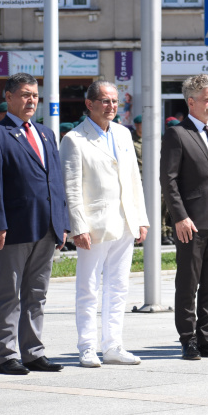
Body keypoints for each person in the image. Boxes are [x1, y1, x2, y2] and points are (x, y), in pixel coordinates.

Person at [0, 73, 69, 375]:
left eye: (35, 95)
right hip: (15, 228)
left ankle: (33, 352)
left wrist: (62, 220)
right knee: (9, 293)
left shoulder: (46, 134)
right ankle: (6, 356)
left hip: (46, 226)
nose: (31, 100)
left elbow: (55, 180)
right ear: (9, 97)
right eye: (25, 94)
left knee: (37, 293)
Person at [60, 81, 149, 367]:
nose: (111, 106)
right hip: (94, 225)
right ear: (90, 104)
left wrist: (141, 218)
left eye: (114, 102)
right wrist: (78, 227)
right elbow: (71, 187)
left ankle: (113, 345)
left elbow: (134, 180)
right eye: (105, 101)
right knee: (88, 287)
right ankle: (87, 346)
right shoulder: (75, 139)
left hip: (124, 222)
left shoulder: (123, 134)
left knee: (119, 286)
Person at [162, 74, 208, 360]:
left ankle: (207, 338)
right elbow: (168, 181)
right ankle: (188, 339)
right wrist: (180, 217)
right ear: (191, 101)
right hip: (191, 224)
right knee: (188, 282)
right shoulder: (177, 134)